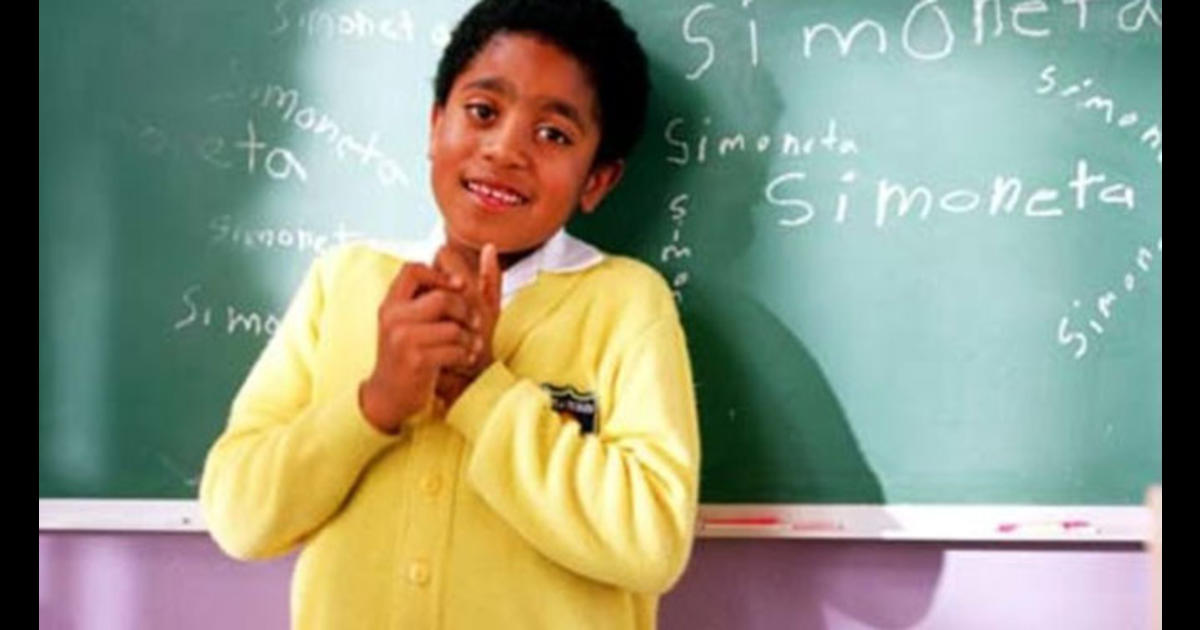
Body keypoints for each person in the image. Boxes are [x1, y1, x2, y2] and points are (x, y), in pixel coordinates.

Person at [199, 1, 700, 628]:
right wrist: (375, 403)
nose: (505, 150)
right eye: (483, 112)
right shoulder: (344, 282)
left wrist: (481, 390)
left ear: (598, 180)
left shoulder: (624, 303)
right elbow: (239, 517)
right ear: (436, 126)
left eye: (553, 134)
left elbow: (651, 542)